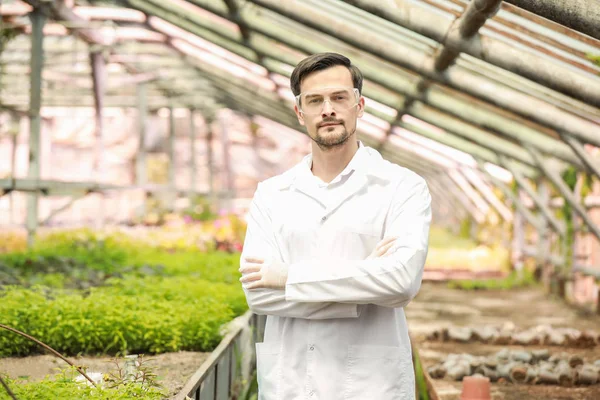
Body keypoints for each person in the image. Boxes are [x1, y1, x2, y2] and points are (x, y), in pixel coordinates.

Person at [239, 52, 432, 400]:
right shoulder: (272, 194)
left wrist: (289, 277)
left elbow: (401, 283)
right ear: (300, 113)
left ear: (359, 105)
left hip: (371, 385)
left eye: (339, 97)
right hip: (291, 383)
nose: (328, 109)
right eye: (315, 100)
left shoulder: (402, 186)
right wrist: (366, 279)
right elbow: (258, 294)